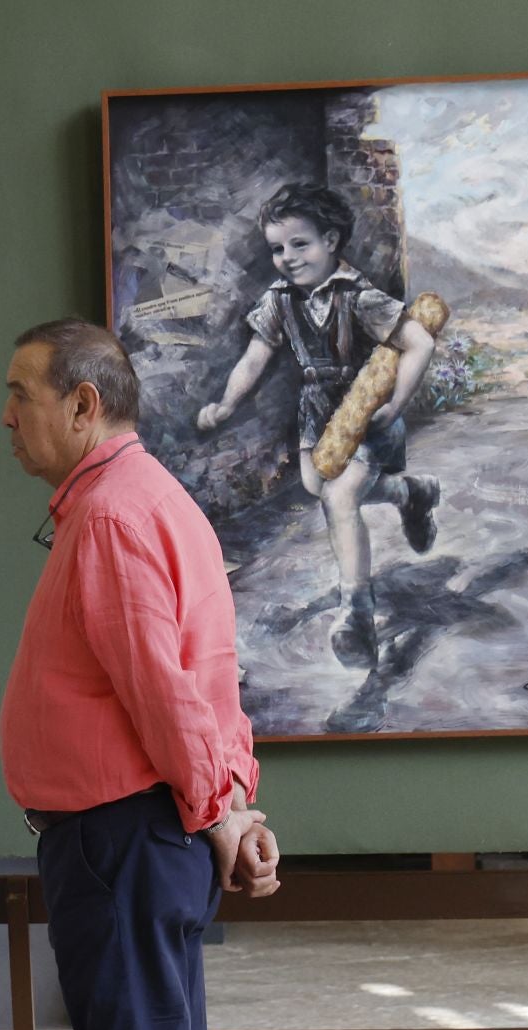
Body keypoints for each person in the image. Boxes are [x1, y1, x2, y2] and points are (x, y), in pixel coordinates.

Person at [0, 319, 282, 1030]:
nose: (6, 416)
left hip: (117, 845)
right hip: (142, 839)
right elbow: (209, 681)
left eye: (21, 394)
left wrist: (217, 809)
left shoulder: (115, 514)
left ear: (83, 403)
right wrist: (230, 809)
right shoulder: (152, 499)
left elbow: (164, 692)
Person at [196, 182, 439, 669]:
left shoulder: (360, 297)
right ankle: (410, 493)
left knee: (339, 497)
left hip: (363, 410)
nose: (286, 257)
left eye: (299, 244)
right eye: (277, 248)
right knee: (317, 486)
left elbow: (420, 343)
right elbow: (254, 357)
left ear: (331, 239)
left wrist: (392, 404)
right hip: (315, 414)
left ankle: (356, 613)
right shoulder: (280, 299)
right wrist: (225, 404)